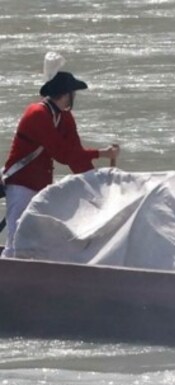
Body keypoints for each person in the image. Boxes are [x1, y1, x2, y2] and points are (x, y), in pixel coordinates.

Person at [1, 52, 120, 257]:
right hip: (21, 184)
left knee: (38, 241)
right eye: (73, 93)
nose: (74, 98)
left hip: (41, 187)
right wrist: (99, 154)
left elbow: (75, 156)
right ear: (65, 94)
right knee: (15, 242)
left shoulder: (64, 118)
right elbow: (62, 154)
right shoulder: (36, 114)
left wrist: (97, 187)